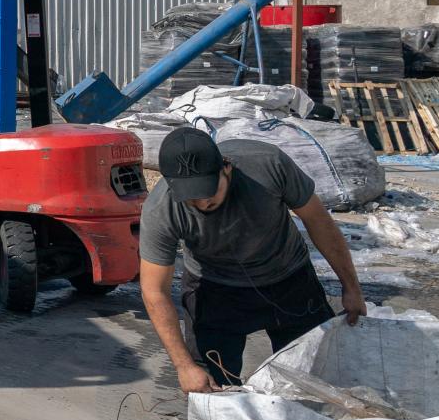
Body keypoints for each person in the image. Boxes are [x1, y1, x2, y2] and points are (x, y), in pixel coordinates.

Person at [139, 128, 367, 393]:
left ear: (226, 168)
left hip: (289, 280)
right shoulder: (161, 209)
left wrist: (351, 287)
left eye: (208, 191)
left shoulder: (268, 164)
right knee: (211, 388)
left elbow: (317, 220)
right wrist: (183, 366)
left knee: (315, 377)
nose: (202, 203)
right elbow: (154, 290)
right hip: (214, 290)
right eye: (192, 197)